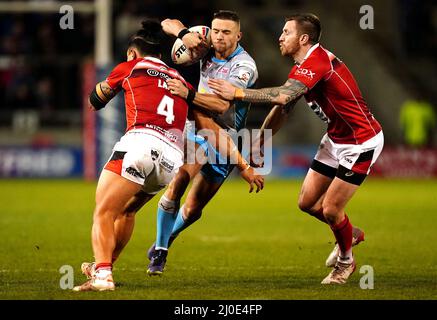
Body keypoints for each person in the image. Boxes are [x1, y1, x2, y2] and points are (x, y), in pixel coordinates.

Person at [208, 13, 384, 284]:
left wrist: (238, 93)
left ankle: (346, 263)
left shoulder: (317, 61)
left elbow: (283, 94)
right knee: (307, 203)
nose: (280, 37)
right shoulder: (303, 67)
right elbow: (284, 106)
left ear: (303, 38)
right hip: (336, 139)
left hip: (360, 142)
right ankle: (352, 233)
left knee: (331, 209)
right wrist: (262, 140)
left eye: (286, 32)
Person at [73, 19, 203, 291]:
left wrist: (102, 87)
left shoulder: (130, 66)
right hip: (170, 160)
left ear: (133, 53)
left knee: (103, 213)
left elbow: (95, 102)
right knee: (127, 211)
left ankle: (103, 277)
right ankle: (103, 268)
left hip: (141, 144)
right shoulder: (178, 78)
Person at [146, 10, 263, 275]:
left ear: (238, 36)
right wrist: (184, 35)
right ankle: (161, 253)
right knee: (179, 180)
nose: (219, 37)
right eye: (216, 31)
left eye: (227, 32)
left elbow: (221, 105)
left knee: (193, 208)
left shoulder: (244, 66)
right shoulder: (206, 42)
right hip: (198, 128)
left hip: (227, 137)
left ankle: (166, 238)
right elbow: (166, 22)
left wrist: (188, 94)